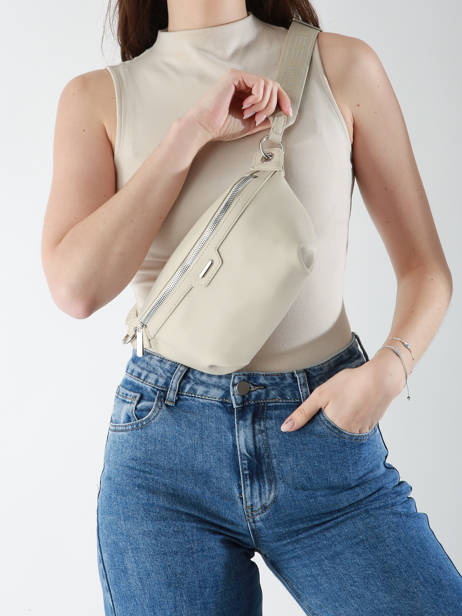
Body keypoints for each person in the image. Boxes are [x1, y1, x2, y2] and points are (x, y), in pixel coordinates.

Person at [41, 1, 462, 614]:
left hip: (323, 437)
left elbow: (426, 270)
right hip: (165, 461)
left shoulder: (342, 66)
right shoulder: (95, 99)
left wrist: (388, 372)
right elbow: (76, 290)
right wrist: (189, 135)